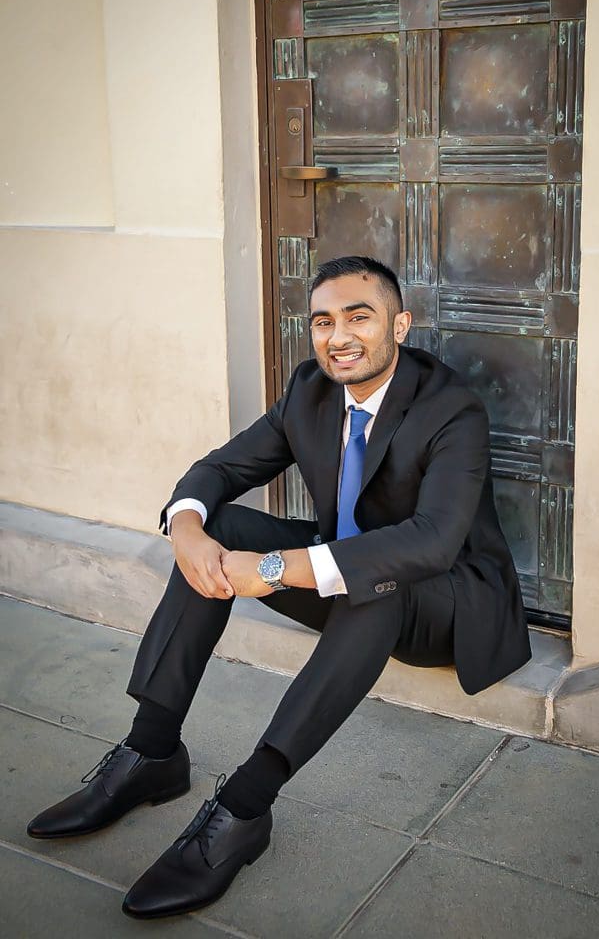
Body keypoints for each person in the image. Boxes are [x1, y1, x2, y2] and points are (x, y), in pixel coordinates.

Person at [27, 255, 531, 919]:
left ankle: (244, 806)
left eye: (360, 316)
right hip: (342, 573)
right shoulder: (310, 390)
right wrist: (185, 530)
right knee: (224, 524)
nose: (339, 336)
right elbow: (220, 468)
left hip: (445, 601)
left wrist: (273, 570)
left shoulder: (450, 410)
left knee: (378, 582)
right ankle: (152, 750)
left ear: (399, 325)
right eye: (323, 321)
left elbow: (431, 541)